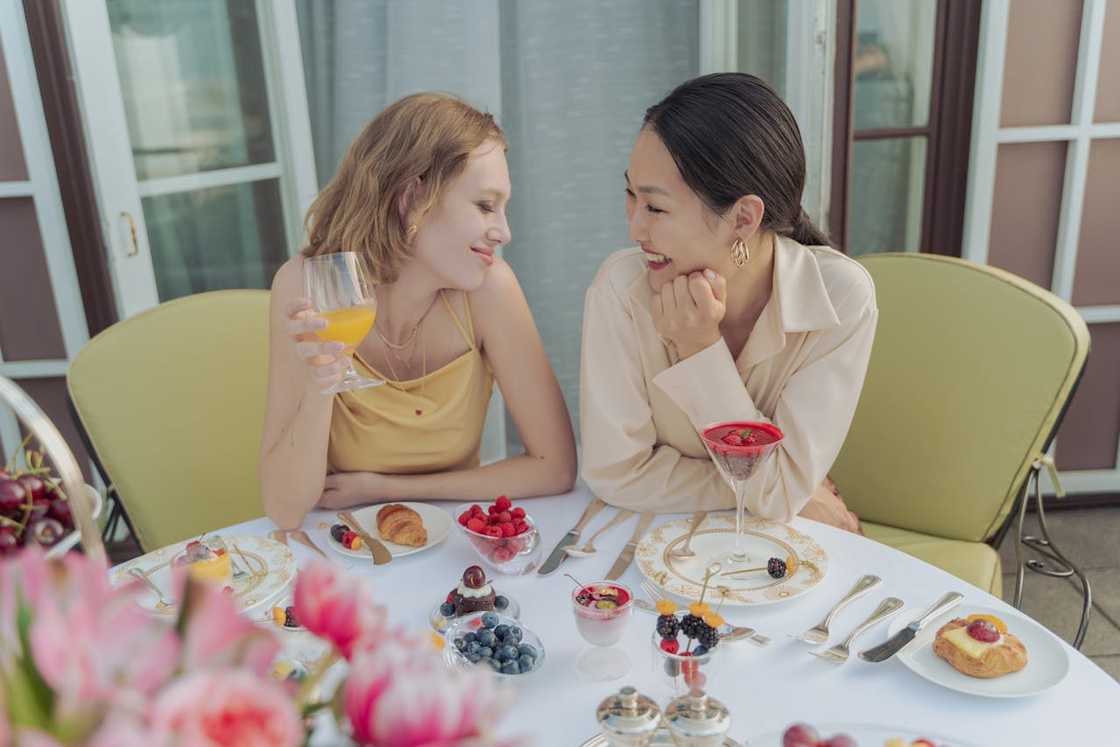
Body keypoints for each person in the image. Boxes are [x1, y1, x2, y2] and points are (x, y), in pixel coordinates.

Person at [260, 93, 577, 530]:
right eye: (485, 205)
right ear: (411, 197)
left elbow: (554, 468)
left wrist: (385, 490)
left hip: (449, 540)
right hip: (341, 544)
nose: (504, 232)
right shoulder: (307, 286)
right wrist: (320, 388)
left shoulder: (489, 289)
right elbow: (284, 509)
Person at [579, 73, 874, 532]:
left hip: (782, 554)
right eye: (630, 196)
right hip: (655, 542)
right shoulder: (621, 290)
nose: (635, 229)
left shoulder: (839, 299)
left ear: (742, 218)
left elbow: (779, 499)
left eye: (655, 208)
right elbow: (614, 474)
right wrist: (785, 488)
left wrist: (699, 349)